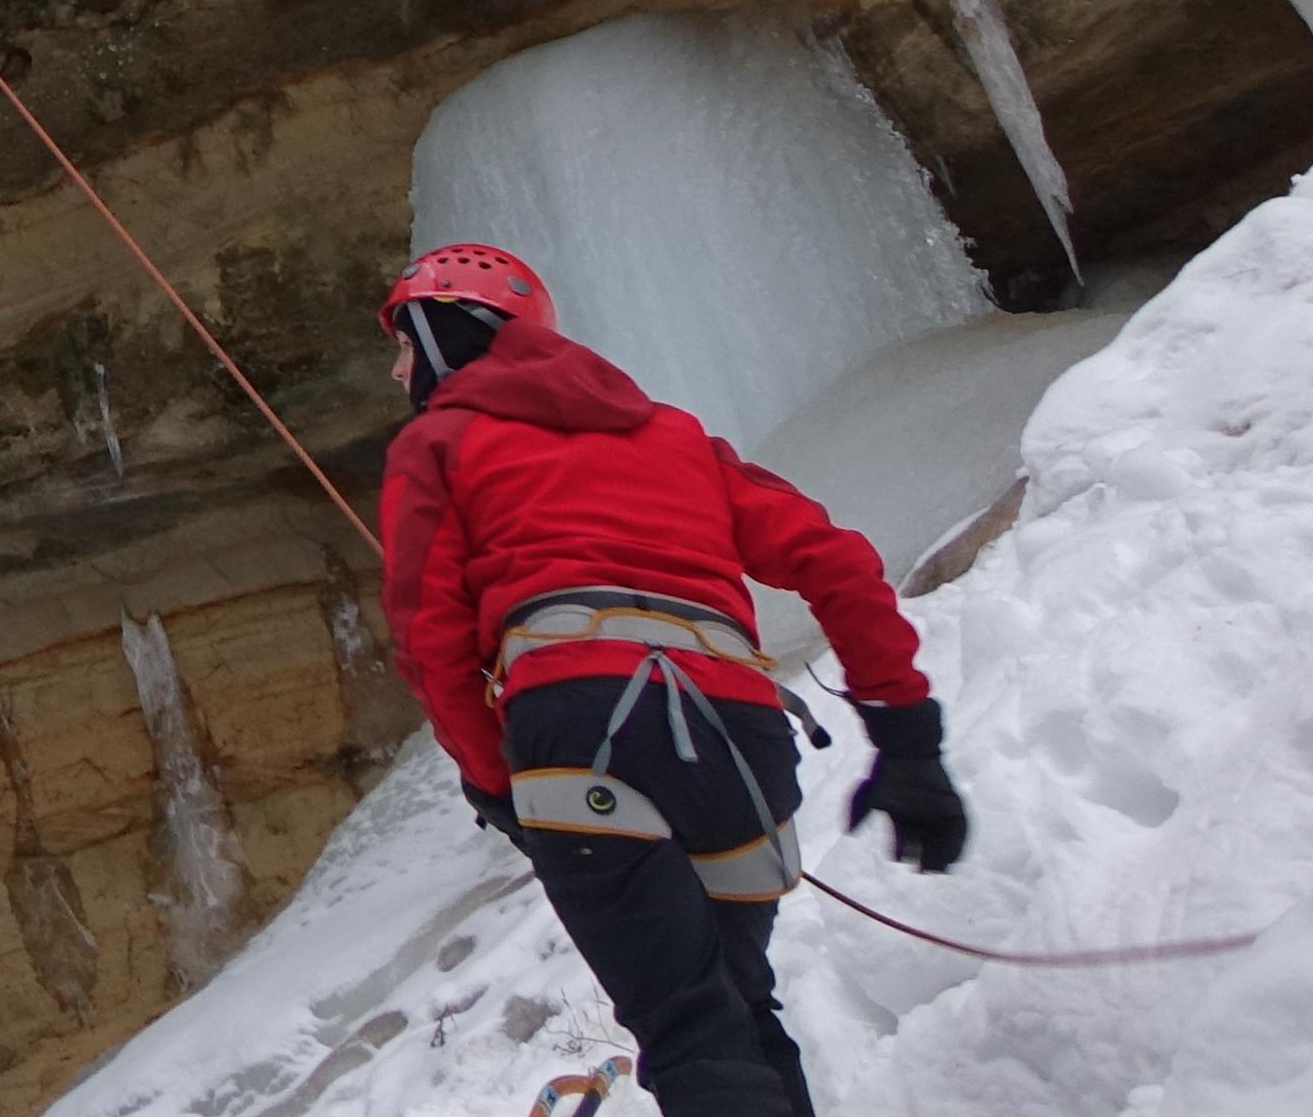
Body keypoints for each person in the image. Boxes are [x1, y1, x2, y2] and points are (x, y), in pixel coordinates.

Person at [375, 243, 970, 1117]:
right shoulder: (679, 438)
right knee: (740, 1013)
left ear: (443, 335)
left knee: (692, 1029)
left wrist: (497, 784)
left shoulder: (440, 442)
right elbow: (836, 562)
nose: (397, 372)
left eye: (401, 345)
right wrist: (908, 742)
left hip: (579, 723)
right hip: (739, 734)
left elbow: (429, 639)